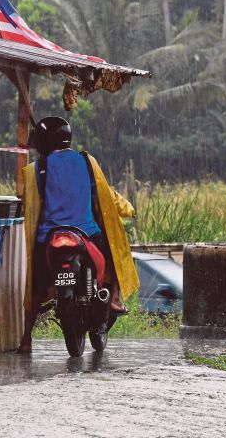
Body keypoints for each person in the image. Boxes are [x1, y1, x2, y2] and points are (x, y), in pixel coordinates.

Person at [18, 116, 138, 353]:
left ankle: (26, 339)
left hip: (49, 236)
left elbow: (30, 204)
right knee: (114, 254)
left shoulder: (37, 169)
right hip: (86, 232)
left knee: (35, 286)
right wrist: (128, 208)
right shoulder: (86, 161)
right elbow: (106, 194)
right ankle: (113, 298)